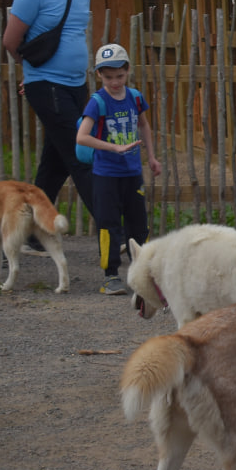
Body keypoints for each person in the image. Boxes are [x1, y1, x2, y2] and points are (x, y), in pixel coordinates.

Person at [1, 0, 96, 241]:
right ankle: (115, 229)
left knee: (54, 165)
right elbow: (11, 40)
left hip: (75, 84)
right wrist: (32, 76)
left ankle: (28, 233)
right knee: (81, 152)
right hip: (46, 83)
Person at [76, 44, 161, 295]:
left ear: (128, 72)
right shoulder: (97, 102)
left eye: (119, 76)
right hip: (106, 175)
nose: (114, 82)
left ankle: (142, 273)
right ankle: (110, 275)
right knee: (108, 223)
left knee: (139, 224)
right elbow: (82, 137)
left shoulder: (135, 97)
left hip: (132, 173)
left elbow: (144, 126)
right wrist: (113, 148)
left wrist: (152, 157)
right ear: (99, 75)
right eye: (108, 76)